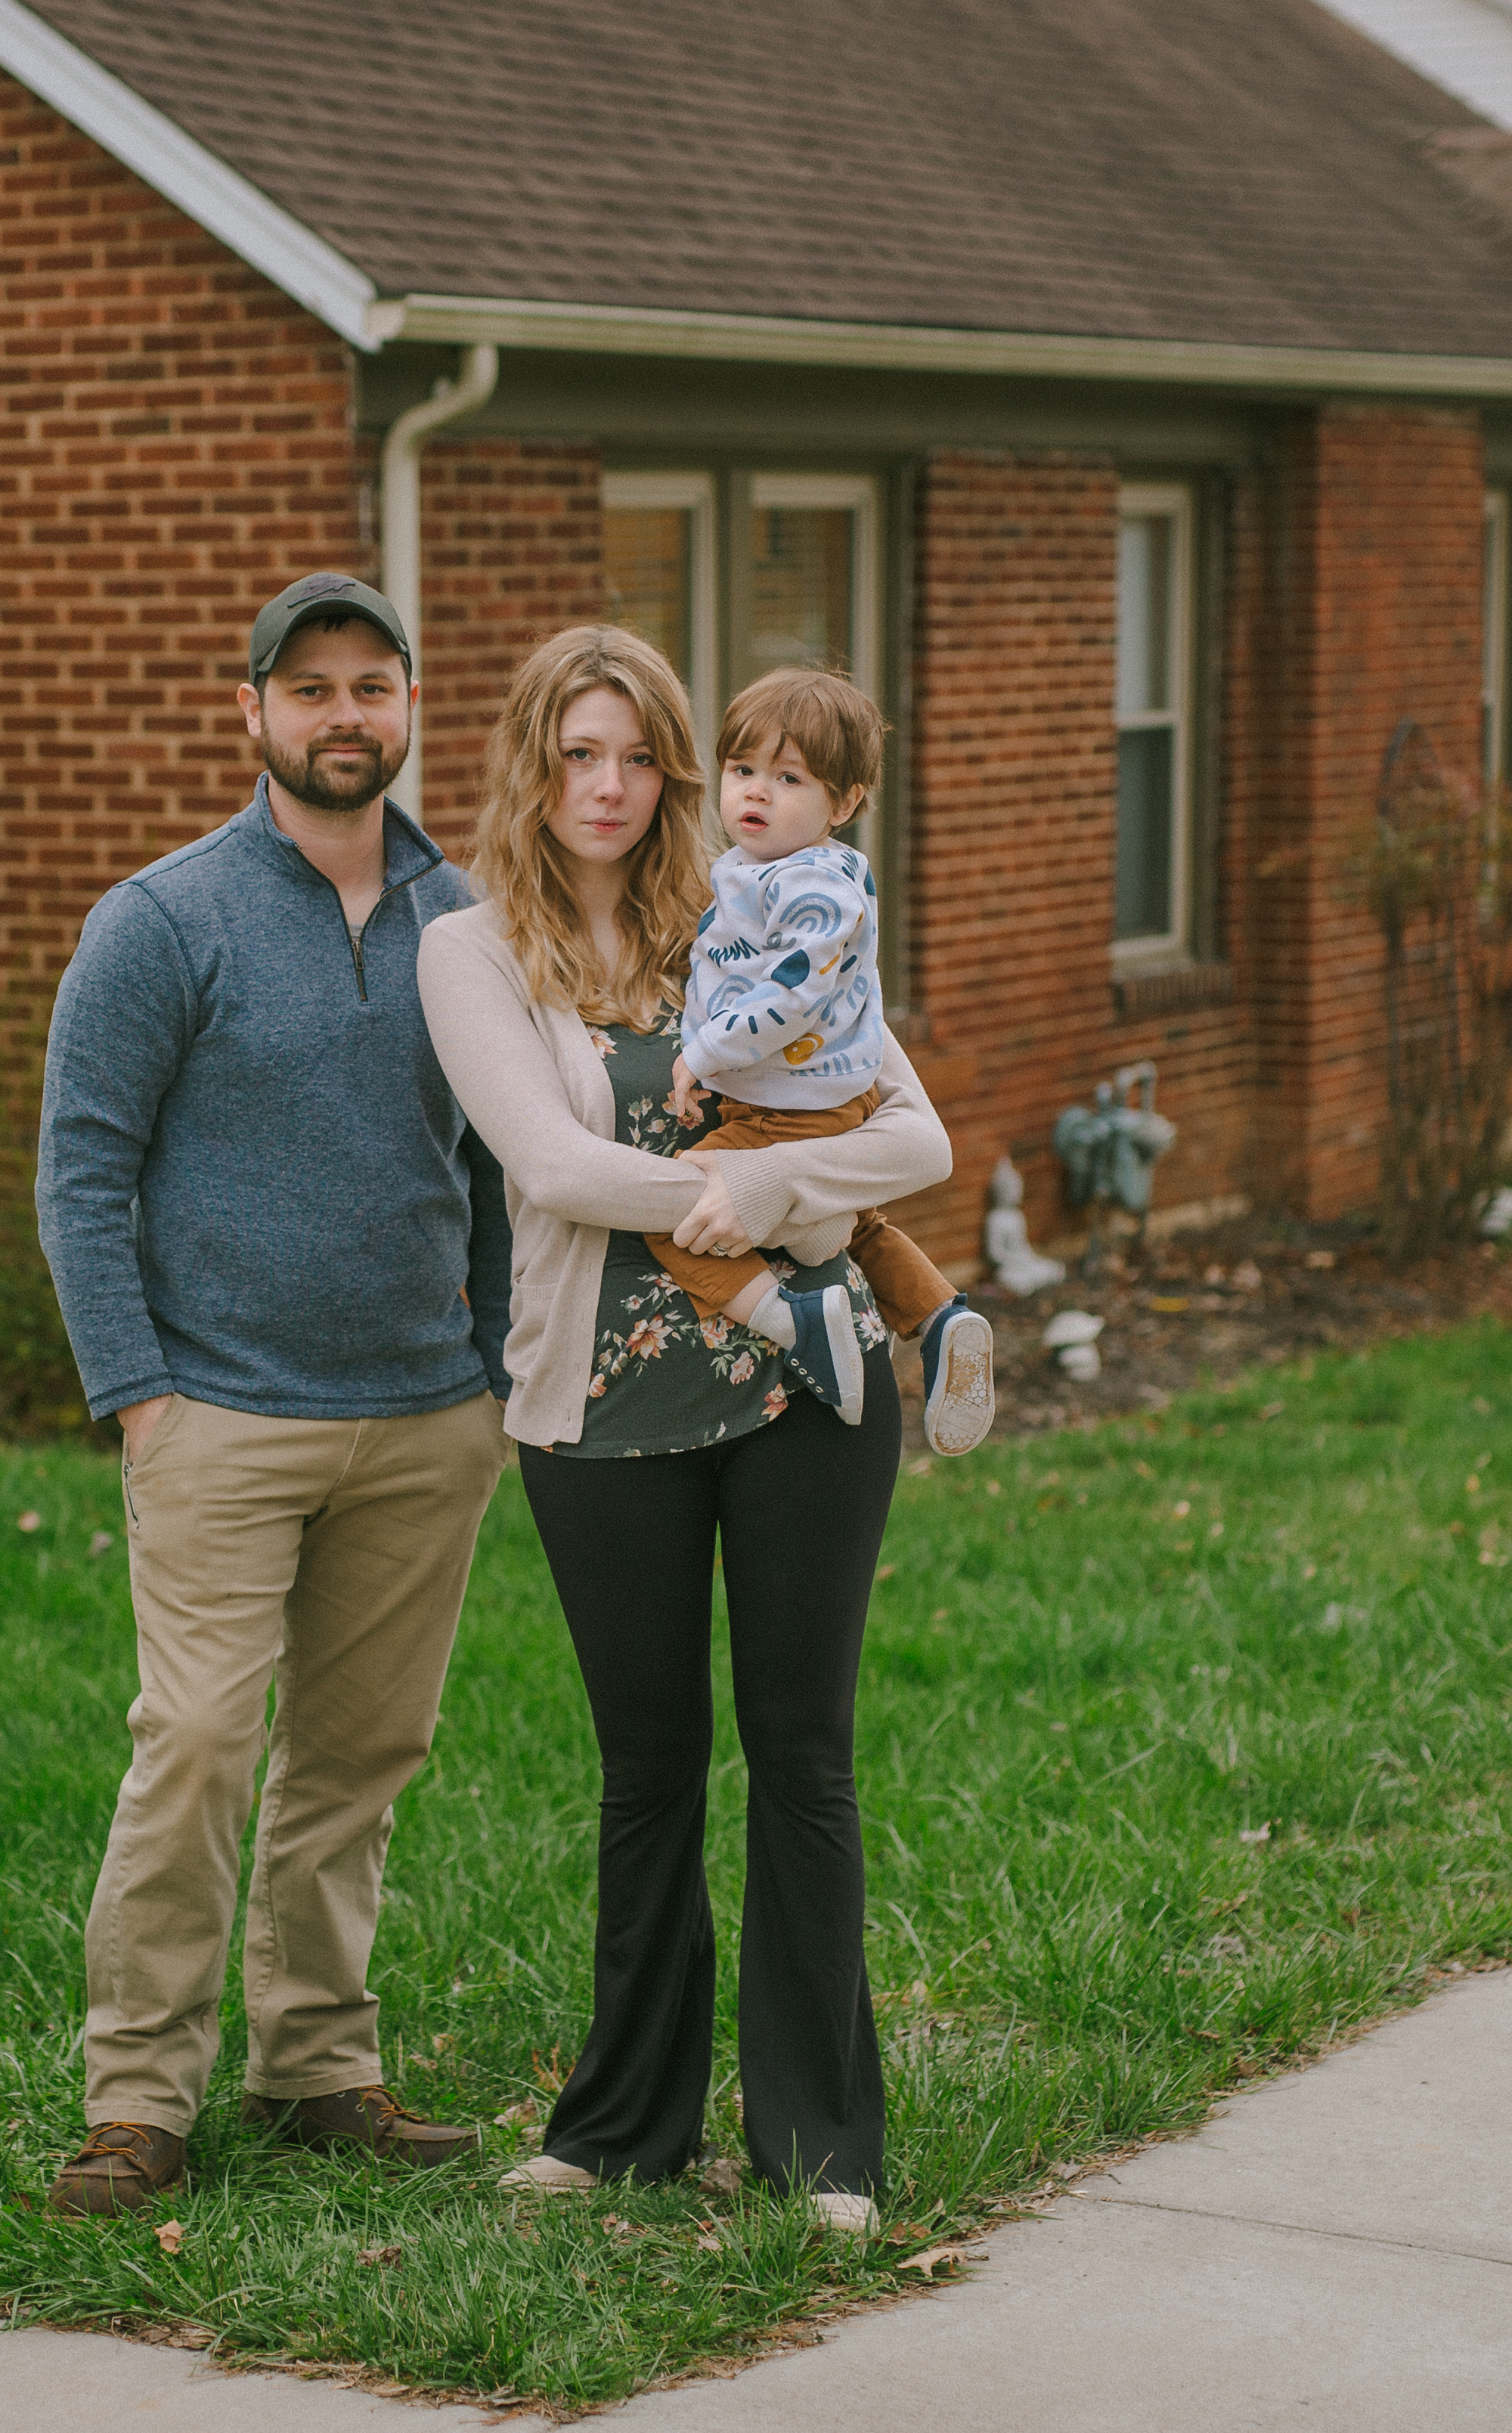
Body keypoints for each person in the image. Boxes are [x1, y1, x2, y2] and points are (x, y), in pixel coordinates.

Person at [417, 625, 951, 2234]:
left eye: (637, 754)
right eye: (576, 752)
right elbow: (553, 1171)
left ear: (675, 772)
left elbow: (912, 1131)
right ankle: (621, 2127)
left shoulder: (756, 908)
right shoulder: (472, 946)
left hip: (807, 1389)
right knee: (647, 1766)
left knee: (801, 1755)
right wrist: (770, 1193)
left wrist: (787, 1185)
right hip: (597, 1399)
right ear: (533, 760)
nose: (608, 784)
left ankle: (821, 2145)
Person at [31, 572, 514, 2220]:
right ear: (251, 712)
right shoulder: (163, 917)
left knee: (360, 1756)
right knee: (198, 1746)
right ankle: (136, 2100)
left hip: (427, 1408)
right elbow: (82, 1168)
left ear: (406, 709)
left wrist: (505, 1369)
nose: (343, 715)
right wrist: (137, 1394)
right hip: (220, 1412)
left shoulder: (476, 916)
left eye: (373, 685)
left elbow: (516, 1162)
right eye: (308, 688)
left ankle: (316, 2066)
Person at [649, 665, 990, 1455]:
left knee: (675, 1218)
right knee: (849, 1224)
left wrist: (700, 1052)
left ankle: (789, 1319)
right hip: (795, 1102)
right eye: (741, 770)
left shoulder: (815, 884)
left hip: (791, 1107)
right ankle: (939, 1317)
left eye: (787, 777)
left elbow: (792, 991)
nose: (754, 793)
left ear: (842, 805)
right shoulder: (752, 870)